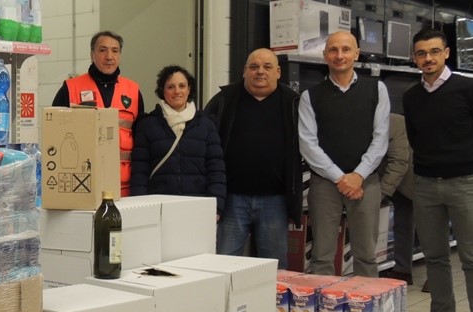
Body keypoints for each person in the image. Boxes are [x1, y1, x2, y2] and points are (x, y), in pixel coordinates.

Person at [403, 28, 473, 312]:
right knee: (435, 258)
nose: (427, 58)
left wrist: (467, 159)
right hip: (426, 184)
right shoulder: (411, 97)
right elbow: (414, 138)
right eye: (421, 53)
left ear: (446, 53)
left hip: (465, 183)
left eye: (434, 51)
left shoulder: (470, 89)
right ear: (414, 58)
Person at [298, 31, 390, 278]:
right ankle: (325, 303)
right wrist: (341, 178)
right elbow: (308, 144)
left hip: (366, 182)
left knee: (366, 255)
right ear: (325, 55)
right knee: (321, 256)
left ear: (356, 54)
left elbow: (380, 139)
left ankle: (366, 303)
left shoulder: (377, 90)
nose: (340, 55)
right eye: (333, 50)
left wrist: (358, 176)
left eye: (346, 49)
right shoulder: (310, 96)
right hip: (325, 184)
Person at [204, 48, 301, 269]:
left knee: (274, 268)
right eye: (254, 67)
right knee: (223, 265)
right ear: (244, 71)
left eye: (267, 67)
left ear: (278, 72)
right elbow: (206, 144)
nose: (260, 72)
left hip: (275, 201)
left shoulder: (293, 103)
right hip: (232, 199)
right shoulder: (224, 100)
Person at [53, 31, 145, 197]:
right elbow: (55, 135)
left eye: (115, 51)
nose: (109, 56)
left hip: (124, 187)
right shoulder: (71, 88)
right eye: (103, 50)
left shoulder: (133, 90)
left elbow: (142, 142)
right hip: (83, 184)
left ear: (120, 55)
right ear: (92, 55)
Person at [129, 65, 226, 214]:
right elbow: (139, 172)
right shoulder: (147, 125)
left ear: (189, 89)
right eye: (170, 87)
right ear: (162, 91)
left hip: (198, 205)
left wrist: (217, 207)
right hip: (158, 206)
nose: (177, 91)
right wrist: (139, 206)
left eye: (182, 86)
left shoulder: (206, 125)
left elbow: (216, 169)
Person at [377, 113, 415, 285]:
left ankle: (436, 277)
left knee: (428, 228)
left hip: (413, 178)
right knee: (402, 225)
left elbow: (399, 163)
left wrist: (381, 193)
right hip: (392, 178)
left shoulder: (395, 121)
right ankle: (402, 270)